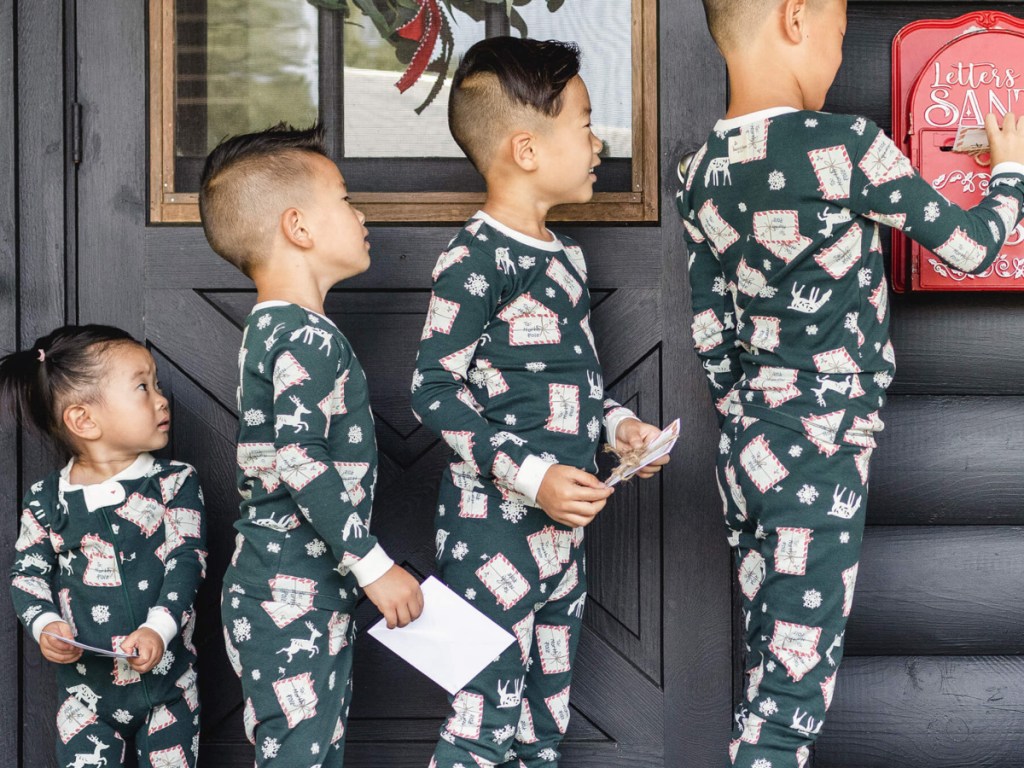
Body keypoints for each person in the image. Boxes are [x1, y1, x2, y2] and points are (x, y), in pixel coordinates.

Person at [679, 1, 1024, 765]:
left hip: (747, 446)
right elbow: (967, 247)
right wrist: (1009, 170)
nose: (839, 57)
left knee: (767, 665)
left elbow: (711, 330)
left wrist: (749, 416)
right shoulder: (847, 143)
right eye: (839, 37)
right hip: (820, 446)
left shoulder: (699, 171)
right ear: (795, 20)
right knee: (792, 702)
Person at [411, 37, 669, 768]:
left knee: (542, 727)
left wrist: (620, 429)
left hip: (564, 541)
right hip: (491, 532)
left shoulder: (564, 258)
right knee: (480, 722)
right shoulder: (473, 259)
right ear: (526, 148)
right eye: (586, 124)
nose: (599, 143)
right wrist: (533, 477)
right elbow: (433, 389)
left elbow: (575, 384)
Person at [198, 122, 423, 767]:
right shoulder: (304, 335)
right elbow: (300, 461)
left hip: (287, 584)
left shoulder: (274, 329)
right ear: (298, 228)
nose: (361, 214)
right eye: (347, 200)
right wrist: (374, 567)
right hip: (289, 587)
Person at [2, 324, 207, 768]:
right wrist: (45, 625)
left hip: (169, 688)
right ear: (84, 420)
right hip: (85, 696)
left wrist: (159, 628)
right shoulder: (46, 499)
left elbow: (187, 560)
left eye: (156, 383)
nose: (161, 397)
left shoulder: (174, 483)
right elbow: (28, 573)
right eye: (142, 387)